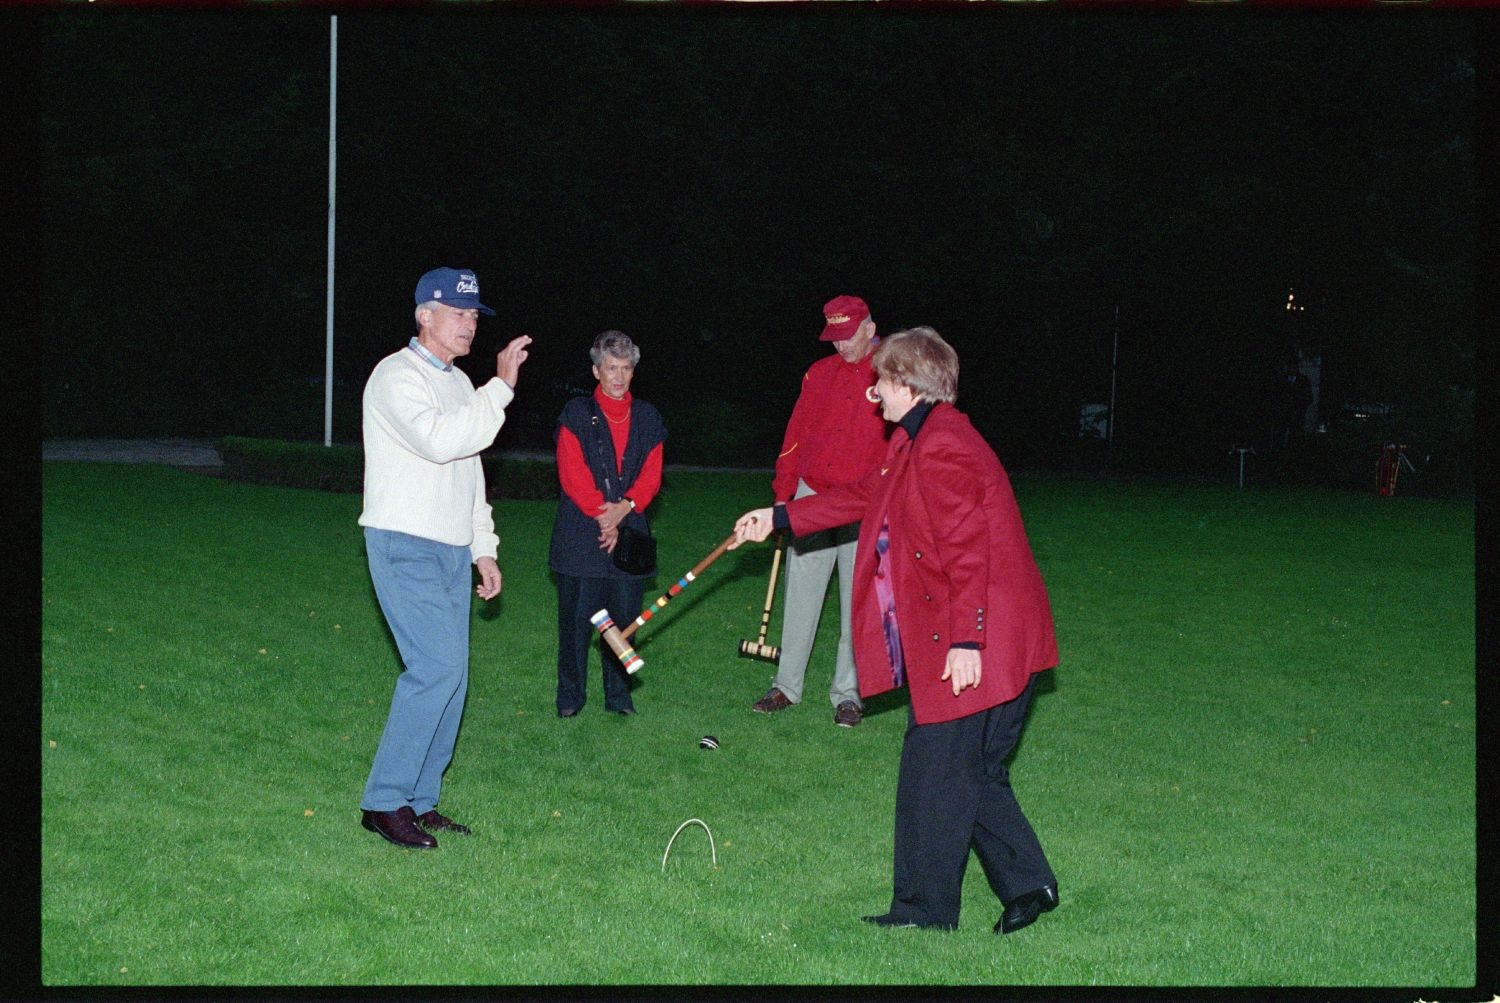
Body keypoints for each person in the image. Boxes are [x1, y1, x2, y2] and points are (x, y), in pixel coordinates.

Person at [732, 327, 1060, 933]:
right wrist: (779, 517)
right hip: (999, 635)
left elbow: (969, 550)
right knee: (973, 772)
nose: (872, 394)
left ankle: (924, 912)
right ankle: (1030, 885)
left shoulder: (943, 447)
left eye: (881, 381)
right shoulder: (917, 440)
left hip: (983, 642)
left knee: (933, 772)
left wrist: (967, 640)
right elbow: (862, 495)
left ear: (907, 385)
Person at [357, 267, 532, 849]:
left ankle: (420, 800)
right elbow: (440, 441)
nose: (470, 325)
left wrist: (484, 548)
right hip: (403, 542)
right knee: (434, 670)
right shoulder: (394, 377)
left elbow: (470, 474)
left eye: (475, 315)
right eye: (459, 313)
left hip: (453, 549)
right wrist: (501, 387)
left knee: (452, 678)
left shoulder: (460, 385)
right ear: (423, 315)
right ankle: (384, 803)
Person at [752, 294, 890, 727]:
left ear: (869, 326)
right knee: (801, 594)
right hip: (813, 496)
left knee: (857, 600)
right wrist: (783, 492)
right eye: (835, 337)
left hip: (862, 502)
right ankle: (786, 686)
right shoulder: (819, 372)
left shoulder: (891, 370)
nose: (842, 345)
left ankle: (847, 694)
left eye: (848, 335)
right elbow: (797, 433)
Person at [548, 330, 666, 718]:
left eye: (626, 368)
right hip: (583, 534)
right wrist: (605, 514)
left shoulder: (648, 417)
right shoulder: (576, 414)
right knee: (576, 623)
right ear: (596, 371)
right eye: (611, 368)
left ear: (634, 371)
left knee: (624, 622)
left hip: (628, 533)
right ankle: (571, 697)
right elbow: (572, 473)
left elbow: (651, 475)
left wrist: (625, 509)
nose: (619, 376)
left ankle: (619, 697)